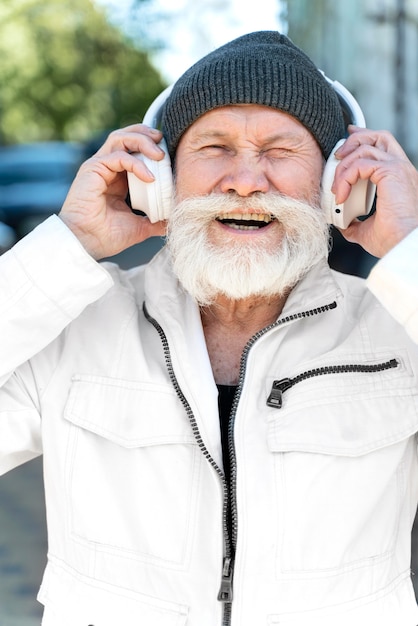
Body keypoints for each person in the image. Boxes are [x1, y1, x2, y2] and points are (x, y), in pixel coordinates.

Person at [1, 30, 418, 626]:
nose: (245, 180)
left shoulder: (397, 330)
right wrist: (67, 247)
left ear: (332, 187)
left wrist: (411, 250)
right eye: (215, 147)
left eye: (279, 151)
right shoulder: (73, 326)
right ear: (162, 180)